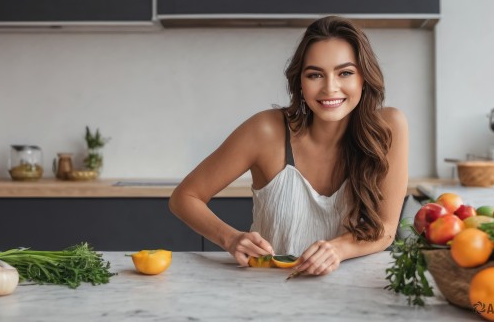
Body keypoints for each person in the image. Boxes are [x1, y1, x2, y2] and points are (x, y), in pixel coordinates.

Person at [170, 16, 408, 276]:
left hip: (352, 294)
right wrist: (231, 238)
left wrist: (338, 249)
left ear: (364, 77)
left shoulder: (388, 127)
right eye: (315, 74)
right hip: (270, 293)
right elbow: (184, 197)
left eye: (345, 73)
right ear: (300, 83)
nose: (330, 88)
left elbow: (385, 229)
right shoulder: (265, 131)